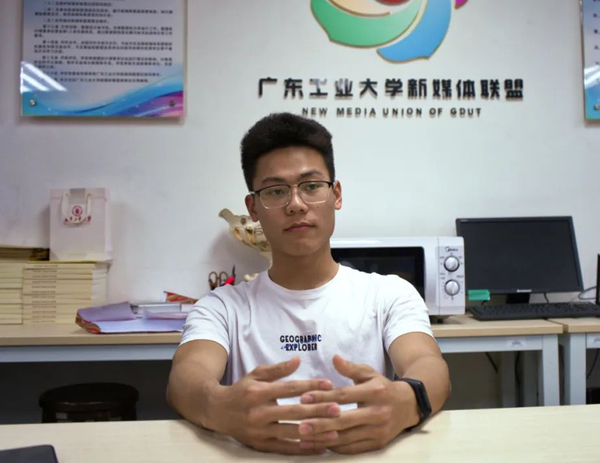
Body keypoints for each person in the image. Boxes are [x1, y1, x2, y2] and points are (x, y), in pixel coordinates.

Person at [166, 113, 450, 455]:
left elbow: (429, 365)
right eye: (276, 191)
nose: (296, 205)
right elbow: (186, 375)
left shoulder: (388, 294)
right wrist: (218, 406)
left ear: (336, 195)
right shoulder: (222, 307)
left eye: (311, 186)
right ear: (253, 208)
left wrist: (405, 402)